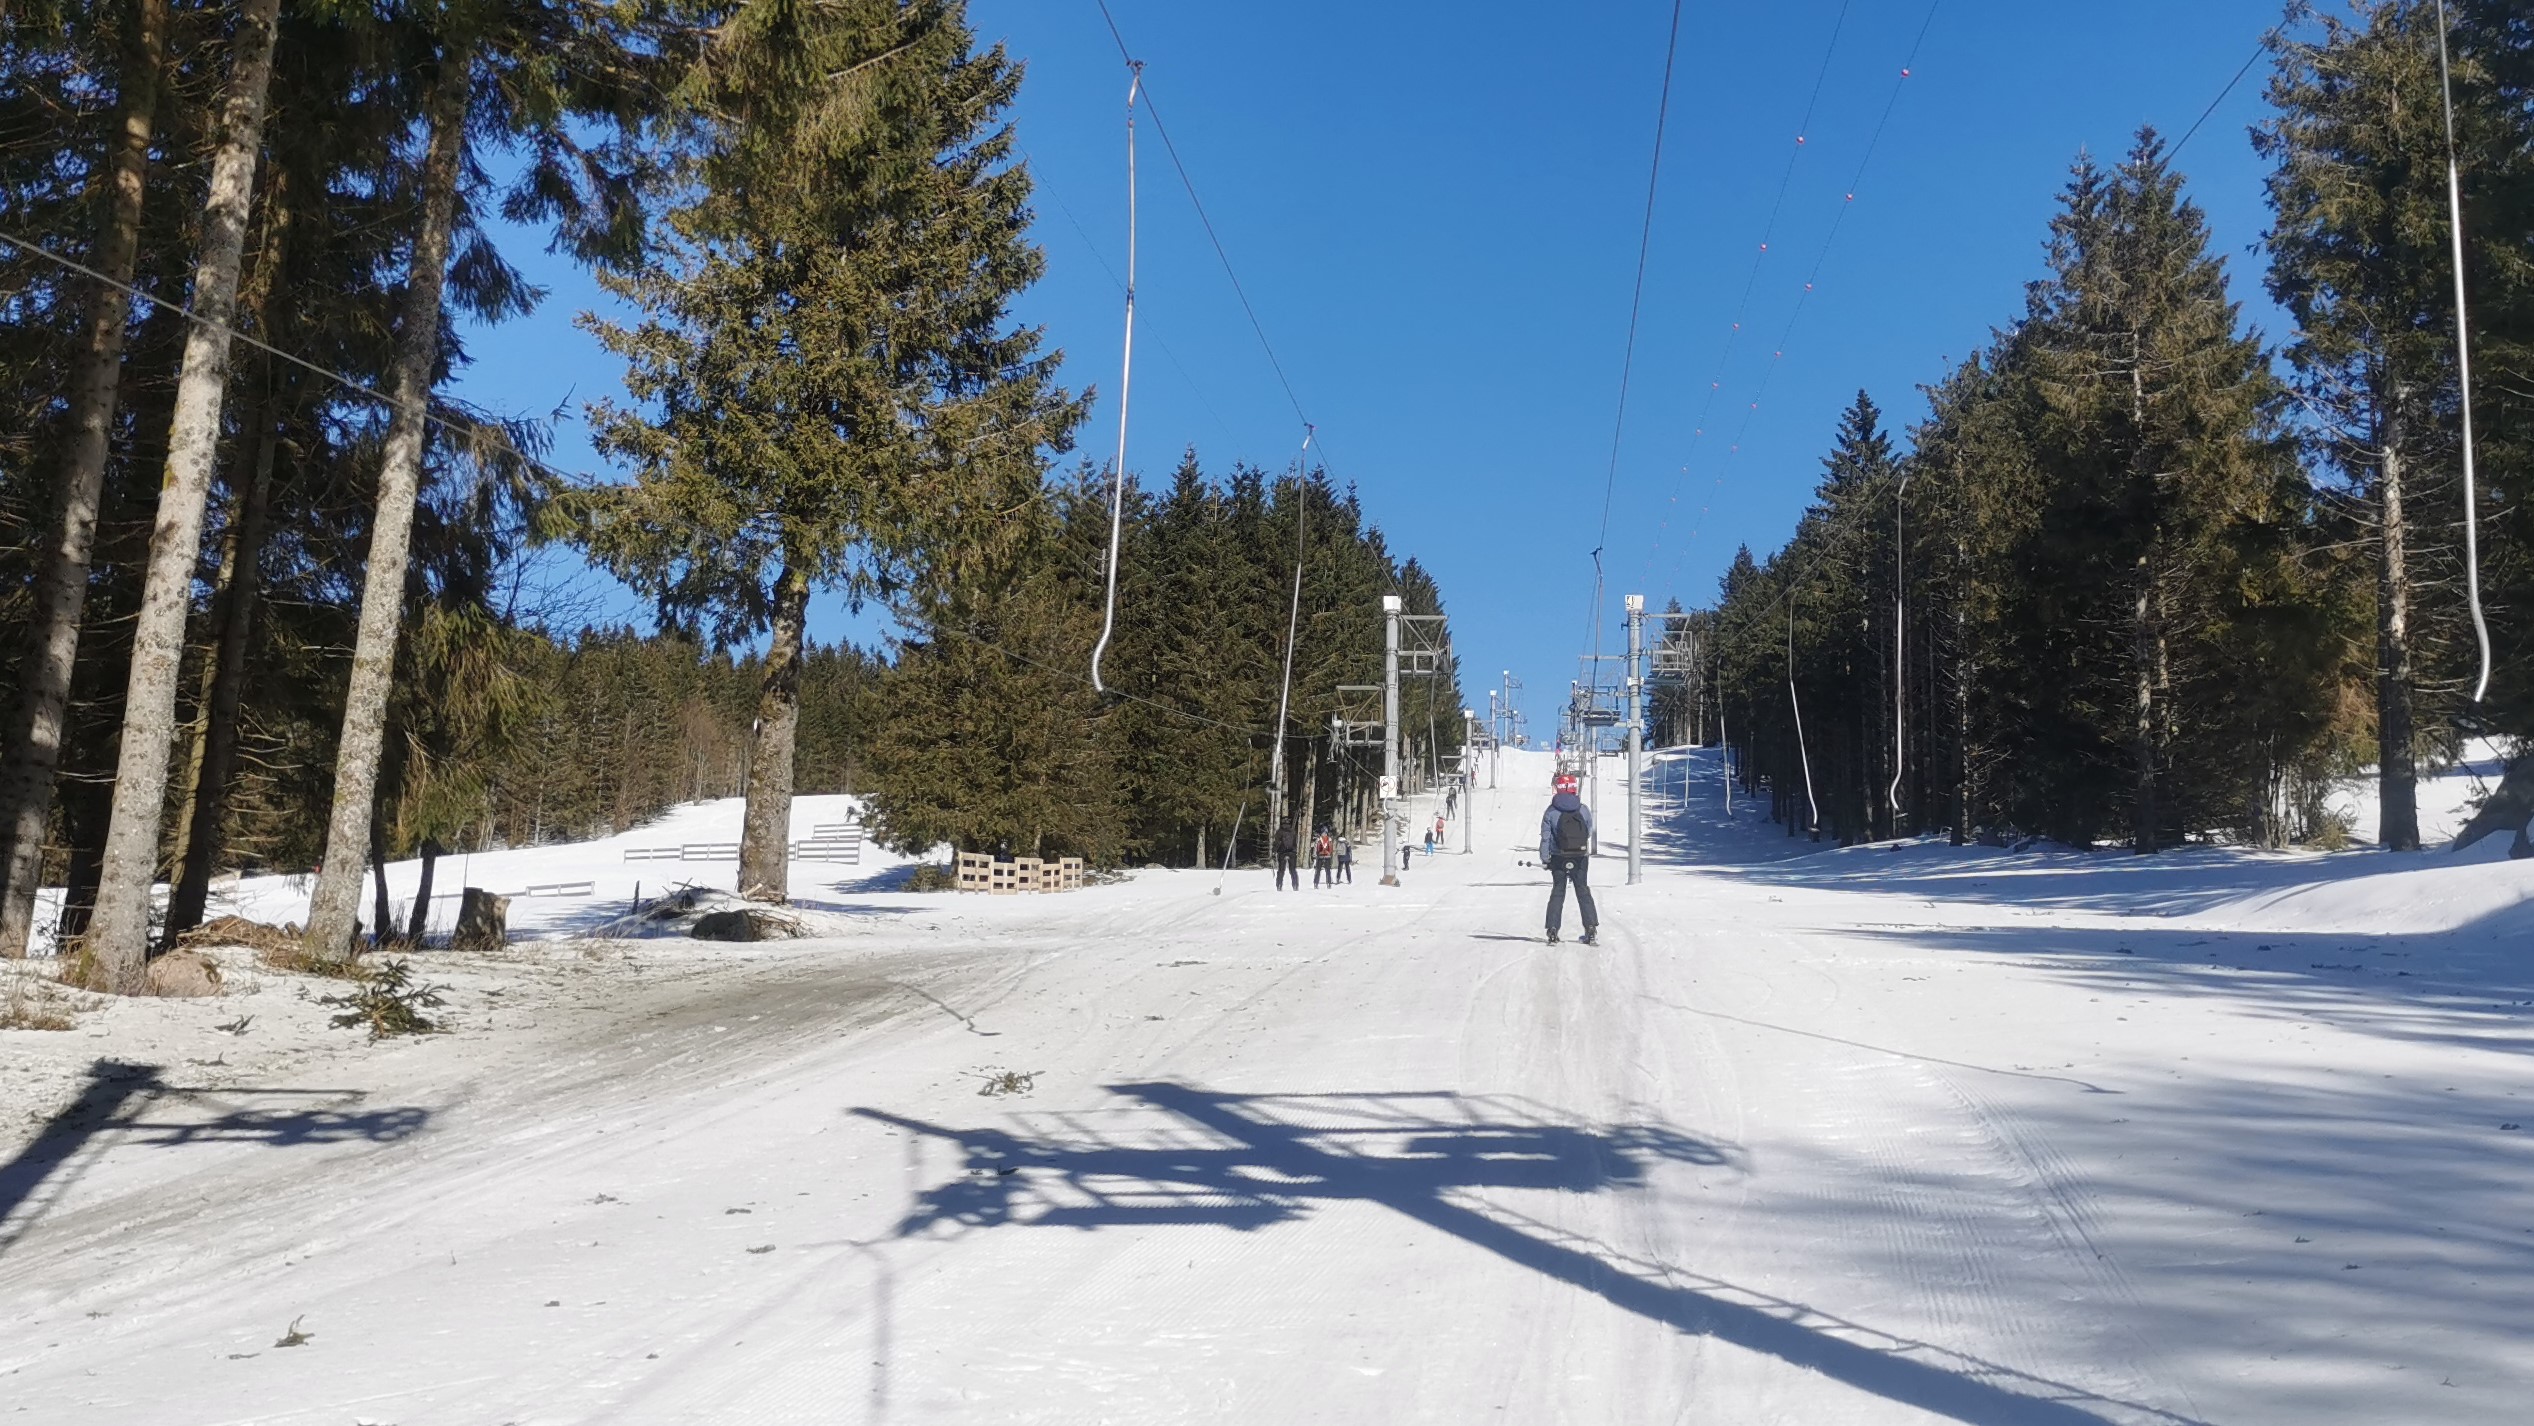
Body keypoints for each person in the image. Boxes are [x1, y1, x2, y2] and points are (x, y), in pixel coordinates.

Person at [1538, 772, 1598, 945]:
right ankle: (1591, 928)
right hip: (1580, 856)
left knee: (1558, 891)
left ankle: (1552, 929)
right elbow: (1588, 830)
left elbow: (1546, 837)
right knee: (1583, 891)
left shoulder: (1551, 811)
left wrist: (1545, 858)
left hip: (1558, 856)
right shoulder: (1583, 809)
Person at [1273, 818, 1299, 890]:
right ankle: (1295, 885)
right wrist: (1295, 850)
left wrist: (1274, 851)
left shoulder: (1279, 832)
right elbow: (1295, 842)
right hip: (1292, 852)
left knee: (1281, 870)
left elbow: (1277, 843)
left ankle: (1279, 885)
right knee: (1293, 870)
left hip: (1282, 852)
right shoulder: (1293, 831)